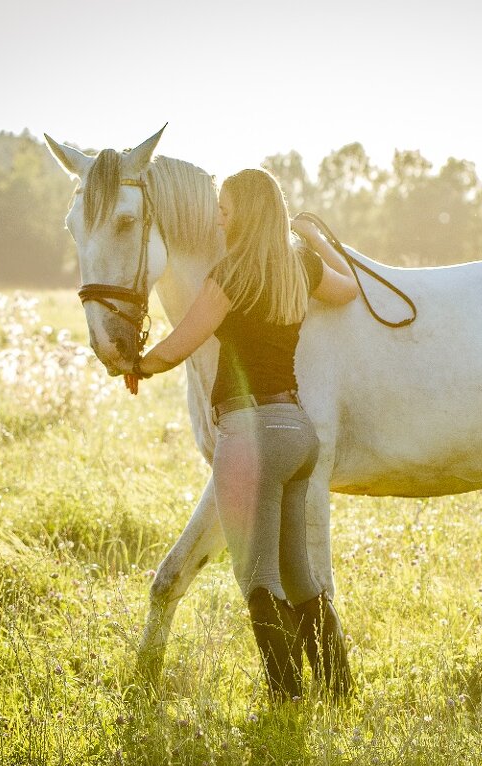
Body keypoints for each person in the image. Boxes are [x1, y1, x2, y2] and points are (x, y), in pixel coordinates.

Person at [133, 168, 359, 700]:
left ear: (247, 217)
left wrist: (134, 366)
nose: (219, 218)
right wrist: (320, 240)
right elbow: (348, 291)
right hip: (298, 433)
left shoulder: (229, 276)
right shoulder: (300, 266)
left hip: (248, 437)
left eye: (226, 210)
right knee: (301, 575)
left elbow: (178, 345)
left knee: (258, 580)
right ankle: (338, 690)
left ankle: (286, 700)